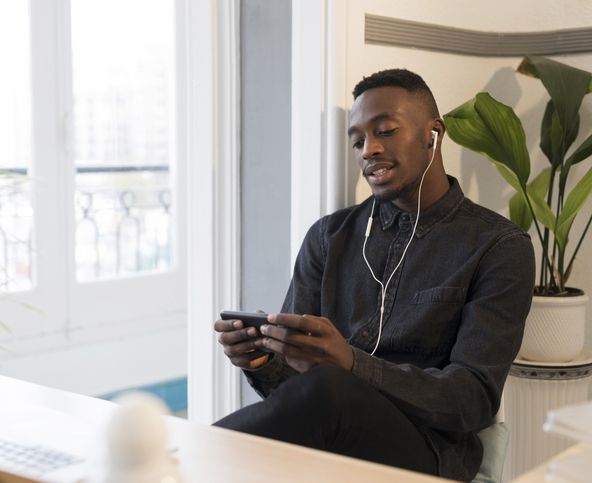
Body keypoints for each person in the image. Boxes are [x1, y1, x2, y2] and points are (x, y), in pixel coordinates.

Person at [212, 68, 535, 482]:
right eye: (358, 141)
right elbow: (295, 390)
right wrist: (261, 361)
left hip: (430, 451)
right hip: (331, 432)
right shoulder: (329, 237)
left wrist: (350, 364)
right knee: (322, 390)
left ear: (433, 133)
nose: (368, 149)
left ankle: (172, 463)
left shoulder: (498, 246)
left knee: (330, 387)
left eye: (385, 131)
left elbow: (473, 399)